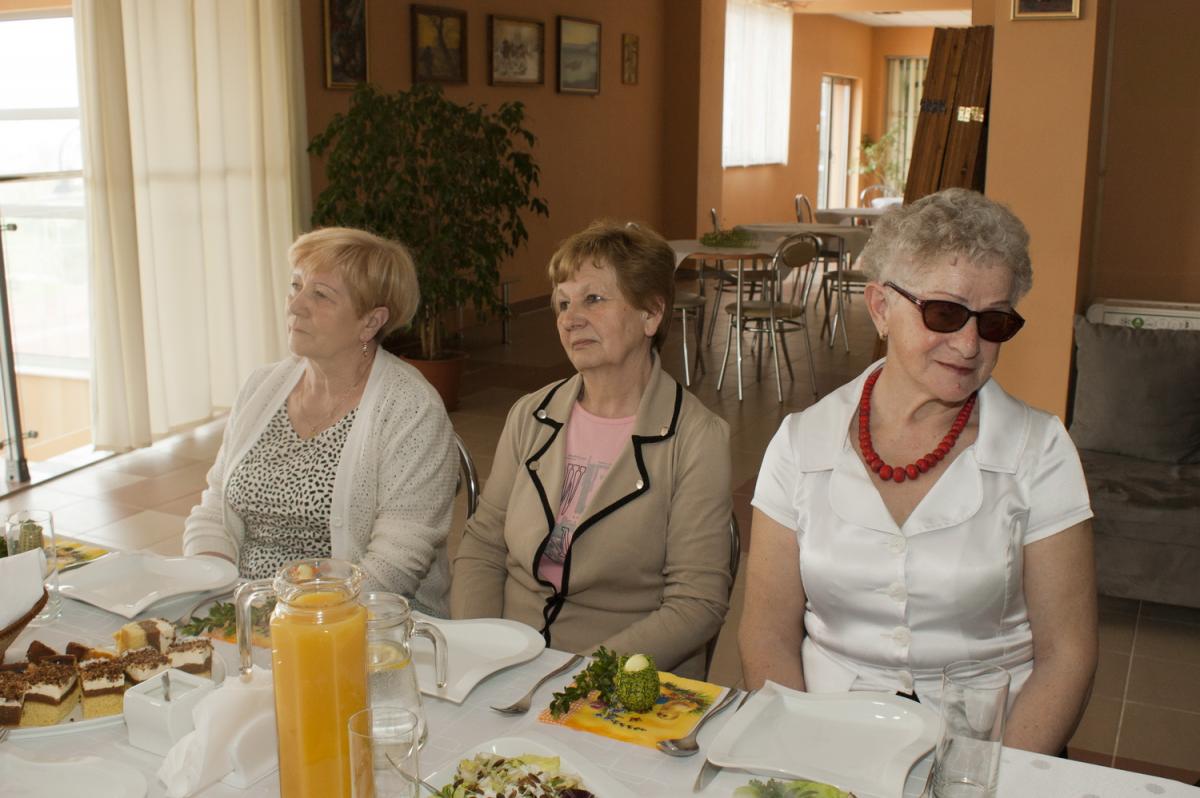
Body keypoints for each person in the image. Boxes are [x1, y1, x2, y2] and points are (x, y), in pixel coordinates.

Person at [739, 189, 1097, 754]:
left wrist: (992, 781)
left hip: (989, 752)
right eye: (945, 313)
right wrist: (804, 761)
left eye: (994, 321)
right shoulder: (800, 444)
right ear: (881, 307)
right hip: (825, 742)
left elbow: (1068, 654)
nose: (969, 344)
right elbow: (766, 632)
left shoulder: (1041, 451)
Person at [451, 221, 733, 678]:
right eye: (563, 303)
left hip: (616, 677)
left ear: (651, 314)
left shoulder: (697, 438)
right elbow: (483, 545)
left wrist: (575, 679)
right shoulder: (531, 414)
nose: (570, 318)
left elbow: (696, 604)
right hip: (506, 662)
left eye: (594, 299)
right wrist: (479, 650)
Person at [184, 227, 458, 616]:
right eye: (295, 286)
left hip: (359, 622)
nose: (295, 306)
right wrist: (211, 588)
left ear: (370, 322)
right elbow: (215, 506)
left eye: (321, 295)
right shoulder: (262, 387)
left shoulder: (411, 409)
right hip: (244, 612)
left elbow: (396, 562)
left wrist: (289, 619)